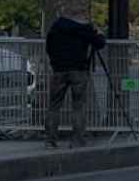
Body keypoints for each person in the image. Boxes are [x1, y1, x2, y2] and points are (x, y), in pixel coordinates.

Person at [44, 12, 106, 146]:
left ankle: (50, 140)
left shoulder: (56, 27)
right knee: (78, 106)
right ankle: (78, 139)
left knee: (54, 106)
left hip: (59, 70)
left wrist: (55, 61)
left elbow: (48, 47)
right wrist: (100, 34)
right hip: (78, 69)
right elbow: (100, 43)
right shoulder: (84, 28)